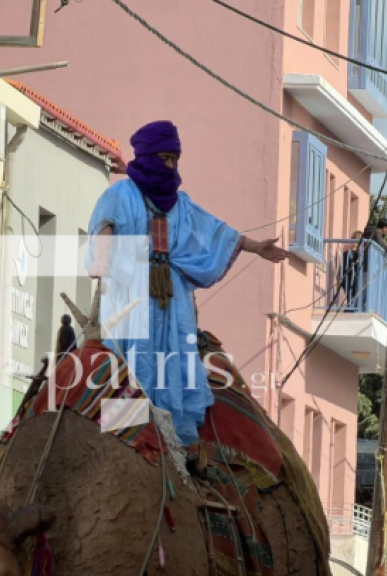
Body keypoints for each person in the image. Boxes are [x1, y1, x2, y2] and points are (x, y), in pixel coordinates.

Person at [85, 120, 288, 445]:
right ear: (148, 155)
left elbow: (215, 231)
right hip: (131, 298)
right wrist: (101, 259)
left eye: (174, 159)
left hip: (173, 302)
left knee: (175, 367)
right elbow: (104, 226)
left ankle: (174, 444)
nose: (169, 165)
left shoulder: (182, 203)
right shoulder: (119, 193)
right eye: (164, 158)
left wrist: (256, 248)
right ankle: (125, 442)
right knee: (132, 363)